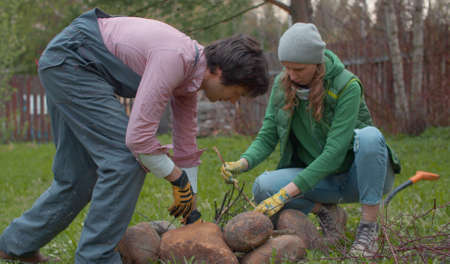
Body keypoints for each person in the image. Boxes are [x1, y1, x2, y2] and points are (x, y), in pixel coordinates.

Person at [0, 8, 269, 263]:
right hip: (72, 61)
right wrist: (177, 178)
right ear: (220, 72)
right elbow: (138, 140)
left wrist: (191, 206)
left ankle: (14, 245)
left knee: (78, 176)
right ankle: (96, 258)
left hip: (68, 64)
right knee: (125, 161)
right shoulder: (176, 57)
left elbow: (186, 146)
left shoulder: (190, 75)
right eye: (239, 93)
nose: (234, 102)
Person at [221, 23, 401, 257]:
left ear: (317, 64)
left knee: (370, 136)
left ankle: (368, 228)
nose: (292, 76)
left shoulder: (347, 86)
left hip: (361, 177)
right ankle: (327, 213)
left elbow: (335, 151)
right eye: (287, 68)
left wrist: (287, 194)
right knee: (263, 187)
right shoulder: (282, 85)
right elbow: (267, 135)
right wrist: (242, 163)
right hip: (324, 181)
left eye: (299, 69)